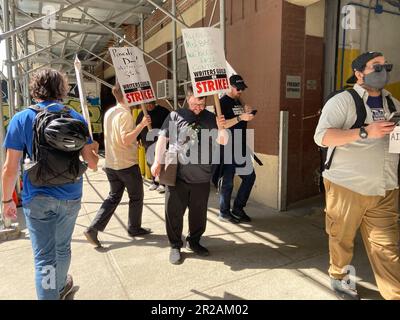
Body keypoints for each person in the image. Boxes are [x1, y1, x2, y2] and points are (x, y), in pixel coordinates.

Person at [2, 69, 99, 300]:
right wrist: (93, 150)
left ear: (36, 89)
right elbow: (92, 164)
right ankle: (61, 288)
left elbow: (10, 168)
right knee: (62, 248)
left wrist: (6, 200)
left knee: (45, 258)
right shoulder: (76, 116)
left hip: (37, 197)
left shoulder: (22, 118)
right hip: (71, 195)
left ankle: (51, 294)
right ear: (62, 89)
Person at [314, 52, 400, 300]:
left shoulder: (393, 104)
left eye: (386, 66)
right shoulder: (343, 101)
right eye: (376, 66)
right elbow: (322, 137)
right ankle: (339, 278)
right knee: (342, 238)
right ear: (359, 72)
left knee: (387, 248)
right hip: (347, 186)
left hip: (386, 187)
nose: (383, 70)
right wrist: (365, 132)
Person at [151, 87, 228, 265]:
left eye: (201, 104)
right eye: (194, 103)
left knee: (198, 214)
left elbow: (222, 141)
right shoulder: (175, 115)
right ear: (188, 99)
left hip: (202, 176)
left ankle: (194, 241)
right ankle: (175, 245)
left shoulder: (211, 118)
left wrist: (222, 128)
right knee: (173, 212)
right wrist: (157, 161)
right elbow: (162, 139)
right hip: (177, 175)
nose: (198, 107)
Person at [84, 83, 152, 247]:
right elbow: (126, 139)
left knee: (113, 197)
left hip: (111, 163)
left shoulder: (109, 113)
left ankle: (93, 228)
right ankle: (134, 227)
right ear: (127, 96)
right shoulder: (125, 114)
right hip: (126, 164)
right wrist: (141, 125)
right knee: (136, 197)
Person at [217, 74, 256, 224]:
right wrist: (241, 118)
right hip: (227, 147)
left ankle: (238, 208)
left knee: (250, 177)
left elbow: (242, 118)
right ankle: (224, 212)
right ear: (229, 86)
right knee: (228, 181)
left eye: (242, 88)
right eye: (237, 88)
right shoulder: (221, 103)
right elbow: (222, 125)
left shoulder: (238, 100)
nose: (240, 91)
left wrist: (248, 112)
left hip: (240, 146)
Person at [136, 101, 170, 194]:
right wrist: (137, 139)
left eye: (150, 104)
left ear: (154, 103)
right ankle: (154, 181)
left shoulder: (163, 111)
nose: (148, 106)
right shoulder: (142, 113)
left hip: (160, 143)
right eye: (146, 104)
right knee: (150, 162)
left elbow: (169, 125)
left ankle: (162, 183)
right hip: (147, 143)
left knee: (161, 162)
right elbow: (137, 125)